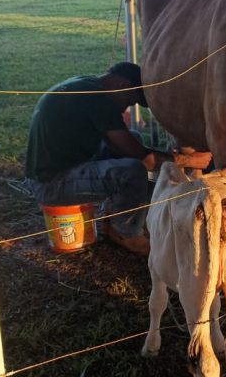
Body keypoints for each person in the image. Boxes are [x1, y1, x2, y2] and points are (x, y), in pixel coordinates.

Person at [25, 61, 211, 255]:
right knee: (132, 172)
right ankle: (127, 233)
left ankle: (114, 220)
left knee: (133, 139)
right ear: (123, 85)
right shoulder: (98, 100)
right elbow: (144, 159)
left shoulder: (87, 84)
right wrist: (189, 161)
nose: (124, 110)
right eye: (129, 102)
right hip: (52, 184)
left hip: (55, 167)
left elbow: (128, 147)